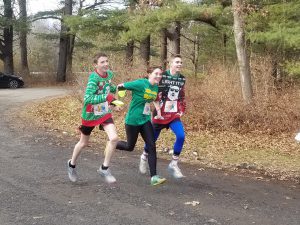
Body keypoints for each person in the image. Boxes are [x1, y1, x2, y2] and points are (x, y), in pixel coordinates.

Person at [67, 52, 119, 184]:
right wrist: (107, 98)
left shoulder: (109, 75)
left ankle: (104, 168)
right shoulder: (93, 78)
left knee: (114, 138)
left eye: (107, 61)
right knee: (83, 143)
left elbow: (108, 87)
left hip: (103, 112)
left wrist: (117, 90)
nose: (106, 64)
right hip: (90, 114)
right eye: (102, 62)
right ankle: (71, 165)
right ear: (96, 65)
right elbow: (88, 99)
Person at [116, 66, 167, 186]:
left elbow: (154, 99)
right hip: (133, 120)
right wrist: (119, 102)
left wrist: (158, 111)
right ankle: (112, 144)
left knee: (151, 145)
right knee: (129, 147)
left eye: (160, 74)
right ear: (149, 74)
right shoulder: (140, 83)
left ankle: (154, 177)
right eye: (156, 74)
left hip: (145, 120)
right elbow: (120, 86)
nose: (159, 76)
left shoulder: (155, 86)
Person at [140, 54, 186, 179]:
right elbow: (150, 86)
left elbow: (182, 95)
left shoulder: (182, 78)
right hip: (160, 114)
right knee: (152, 140)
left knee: (181, 135)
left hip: (173, 114)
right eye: (177, 62)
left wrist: (182, 109)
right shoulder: (162, 75)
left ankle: (174, 163)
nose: (179, 64)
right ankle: (144, 156)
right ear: (170, 63)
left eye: (181, 62)